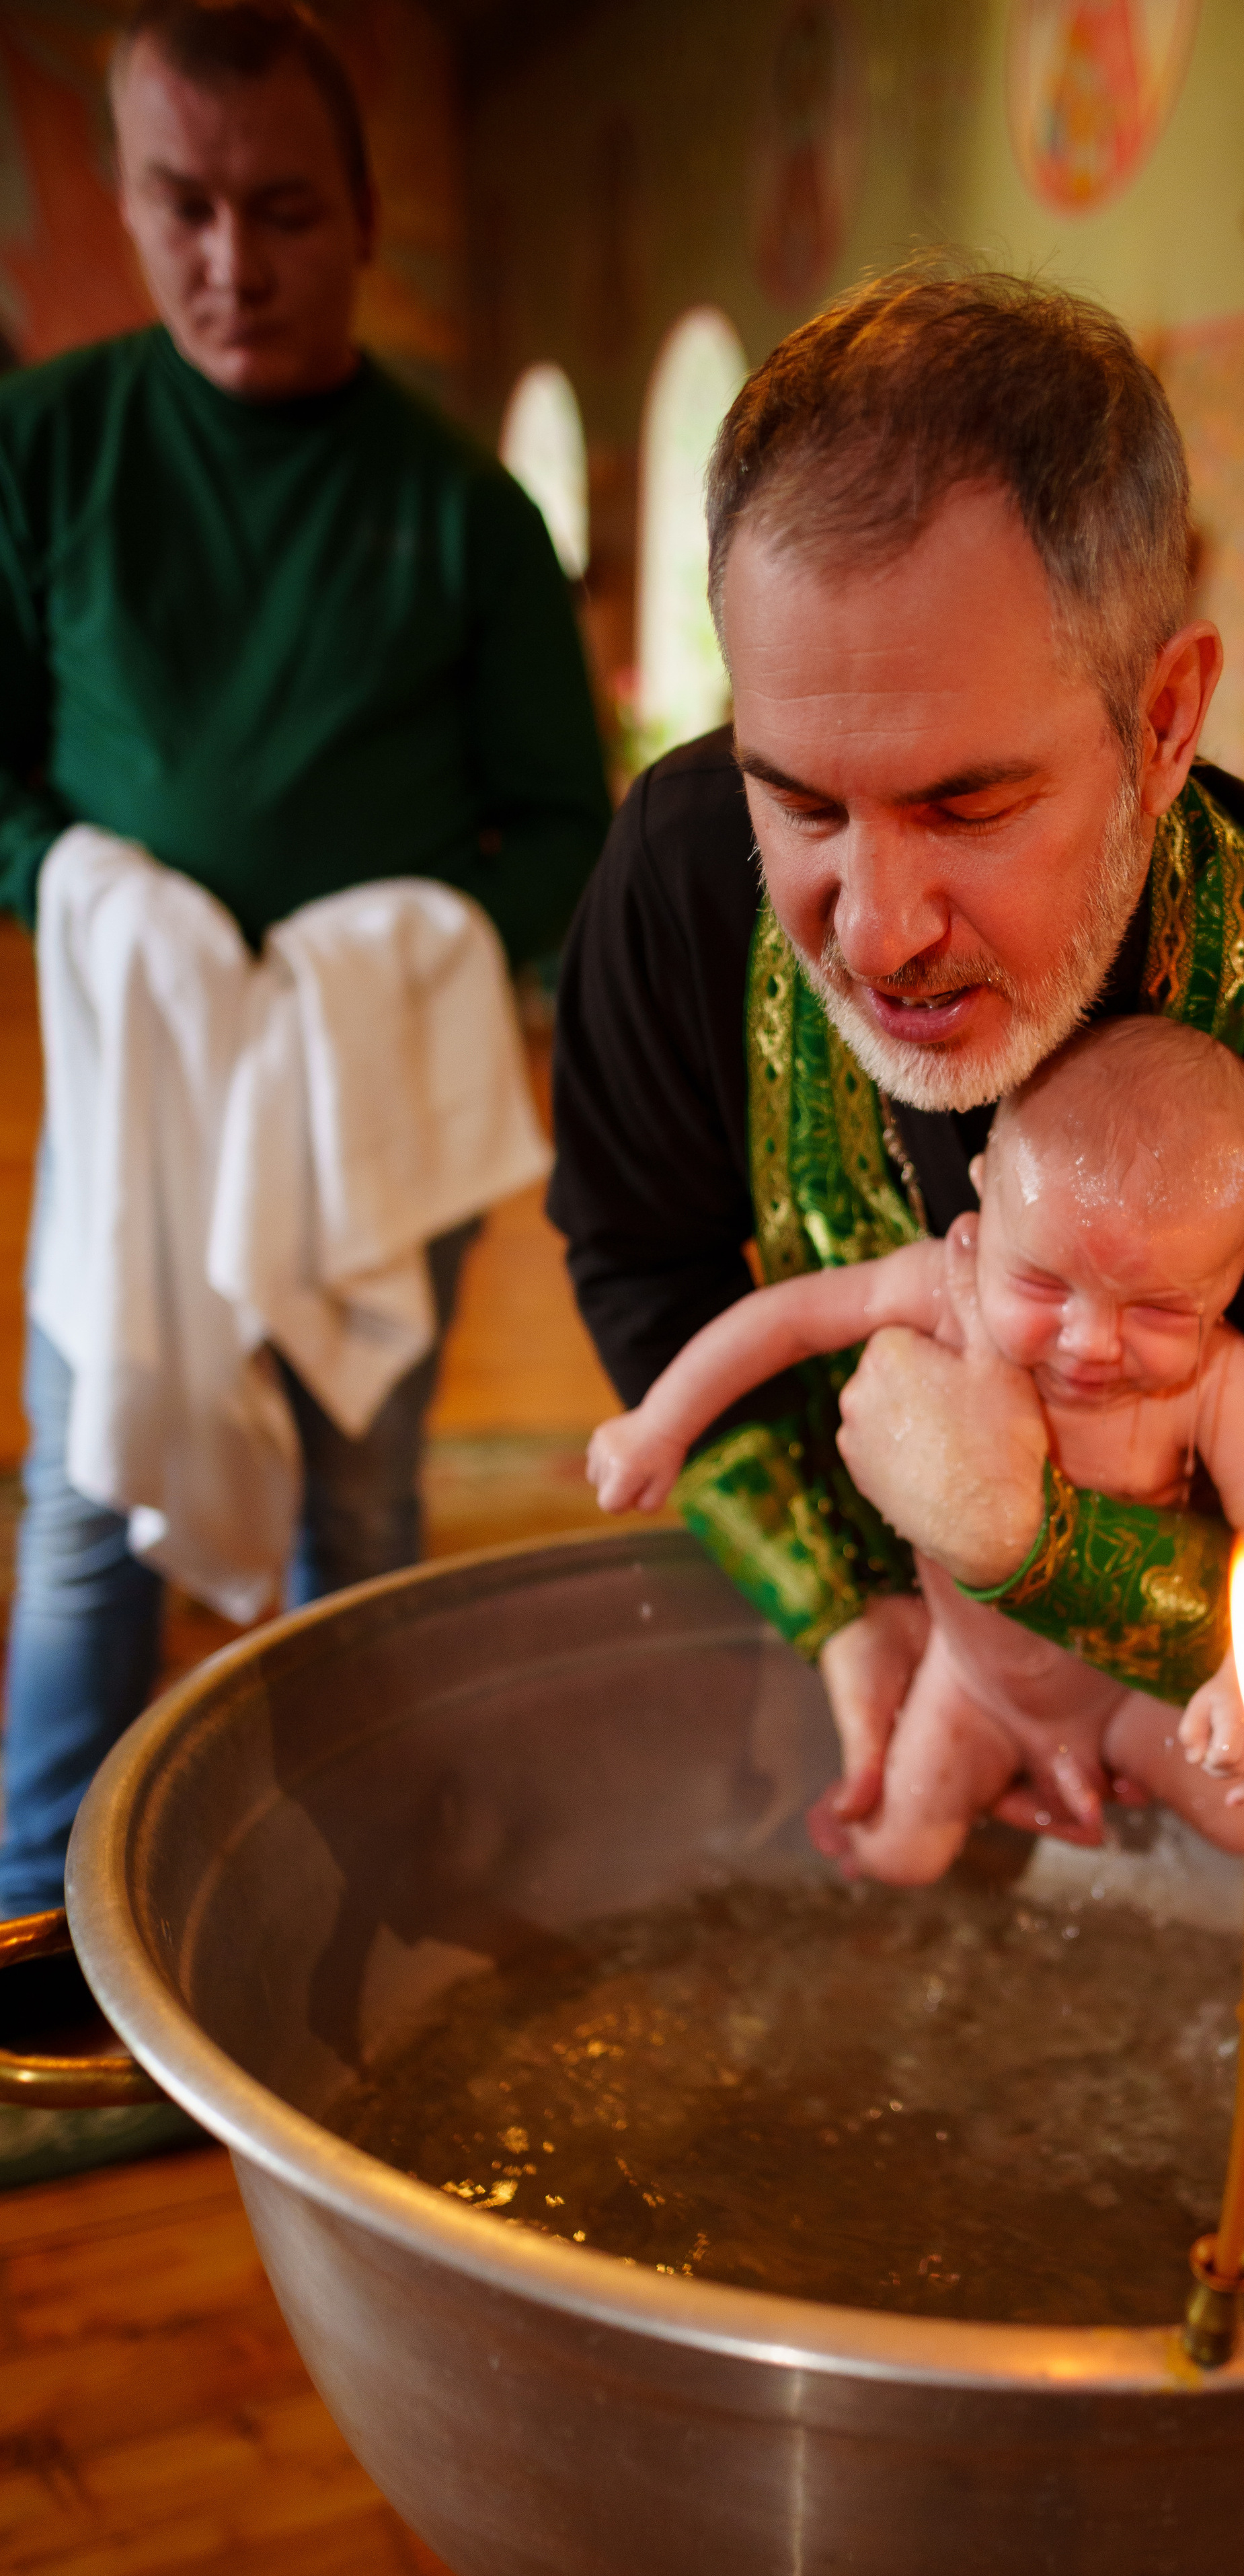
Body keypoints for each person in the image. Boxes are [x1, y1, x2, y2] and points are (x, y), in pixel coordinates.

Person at [550, 265, 1244, 1833]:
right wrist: (848, 1614)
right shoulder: (674, 870)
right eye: (797, 798)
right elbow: (643, 1257)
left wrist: (1031, 1551)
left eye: (968, 804)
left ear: (1160, 720)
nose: (868, 930)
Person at [0, 0, 610, 1918]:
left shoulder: (467, 515)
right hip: (131, 1074)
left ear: (364, 219)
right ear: (126, 196)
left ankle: (332, 1906)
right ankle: (29, 1920)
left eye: (282, 210)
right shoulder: (46, 446)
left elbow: (566, 833)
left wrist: (397, 945)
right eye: (183, 207)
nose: (231, 262)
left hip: (376, 1100)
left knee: (361, 1510)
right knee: (90, 1498)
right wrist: (86, 884)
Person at [588, 1016, 1244, 1881]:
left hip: (1127, 1696)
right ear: (982, 1206)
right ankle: (853, 1910)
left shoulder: (1218, 1382)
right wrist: (662, 1422)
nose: (1088, 1342)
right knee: (899, 1854)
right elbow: (789, 1318)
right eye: (1042, 1282)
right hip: (967, 1684)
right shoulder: (943, 1285)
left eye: (1160, 1310)